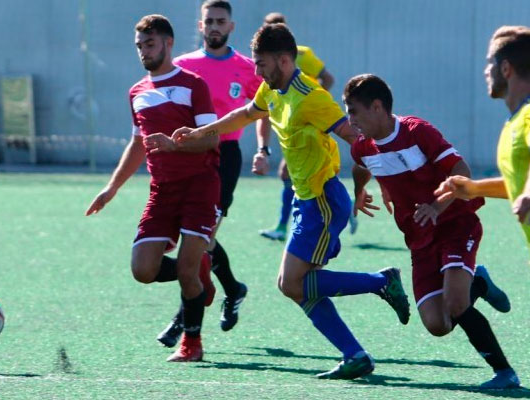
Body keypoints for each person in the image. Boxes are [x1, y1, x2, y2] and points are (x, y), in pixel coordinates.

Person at [173, 23, 410, 379]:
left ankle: (381, 282)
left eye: (262, 63)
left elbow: (357, 138)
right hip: (307, 201)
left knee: (291, 284)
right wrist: (202, 131)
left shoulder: (311, 97)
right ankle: (355, 353)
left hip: (324, 200)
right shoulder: (271, 90)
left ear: (284, 60)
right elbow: (246, 114)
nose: (257, 71)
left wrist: (380, 181)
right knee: (299, 286)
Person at [346, 74, 519, 389]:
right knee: (438, 325)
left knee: (455, 304)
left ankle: (505, 373)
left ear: (376, 107)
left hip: (455, 222)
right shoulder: (362, 148)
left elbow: (461, 171)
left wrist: (437, 208)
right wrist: (360, 192)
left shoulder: (417, 131)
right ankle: (477, 282)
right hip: (419, 238)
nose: (350, 119)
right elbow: (361, 167)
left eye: (354, 111)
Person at [85, 14, 220, 362]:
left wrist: (176, 145)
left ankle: (192, 343)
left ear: (168, 43)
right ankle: (198, 271)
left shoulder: (193, 84)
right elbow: (138, 145)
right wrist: (111, 188)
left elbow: (212, 138)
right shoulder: (137, 92)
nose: (144, 51)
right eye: (140, 46)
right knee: (143, 270)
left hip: (198, 185)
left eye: (150, 43)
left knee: (187, 272)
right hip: (162, 190)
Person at [156, 0, 269, 348]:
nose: (215, 26)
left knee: (200, 240)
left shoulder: (247, 68)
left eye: (221, 21)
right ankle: (233, 289)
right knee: (199, 240)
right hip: (189, 156)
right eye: (210, 21)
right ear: (201, 26)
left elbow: (263, 112)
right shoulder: (184, 66)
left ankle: (182, 321)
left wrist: (264, 150)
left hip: (225, 158)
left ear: (231, 27)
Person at [257, 12, 358, 241]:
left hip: (306, 123)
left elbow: (328, 78)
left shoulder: (301, 54)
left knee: (289, 173)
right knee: (292, 176)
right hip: (290, 124)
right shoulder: (267, 68)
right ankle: (339, 206)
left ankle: (285, 226)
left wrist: (314, 106)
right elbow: (252, 110)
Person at [435, 26, 530, 250]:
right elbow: (518, 182)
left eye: (490, 63)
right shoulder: (514, 122)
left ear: (506, 68)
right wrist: (475, 189)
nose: (486, 71)